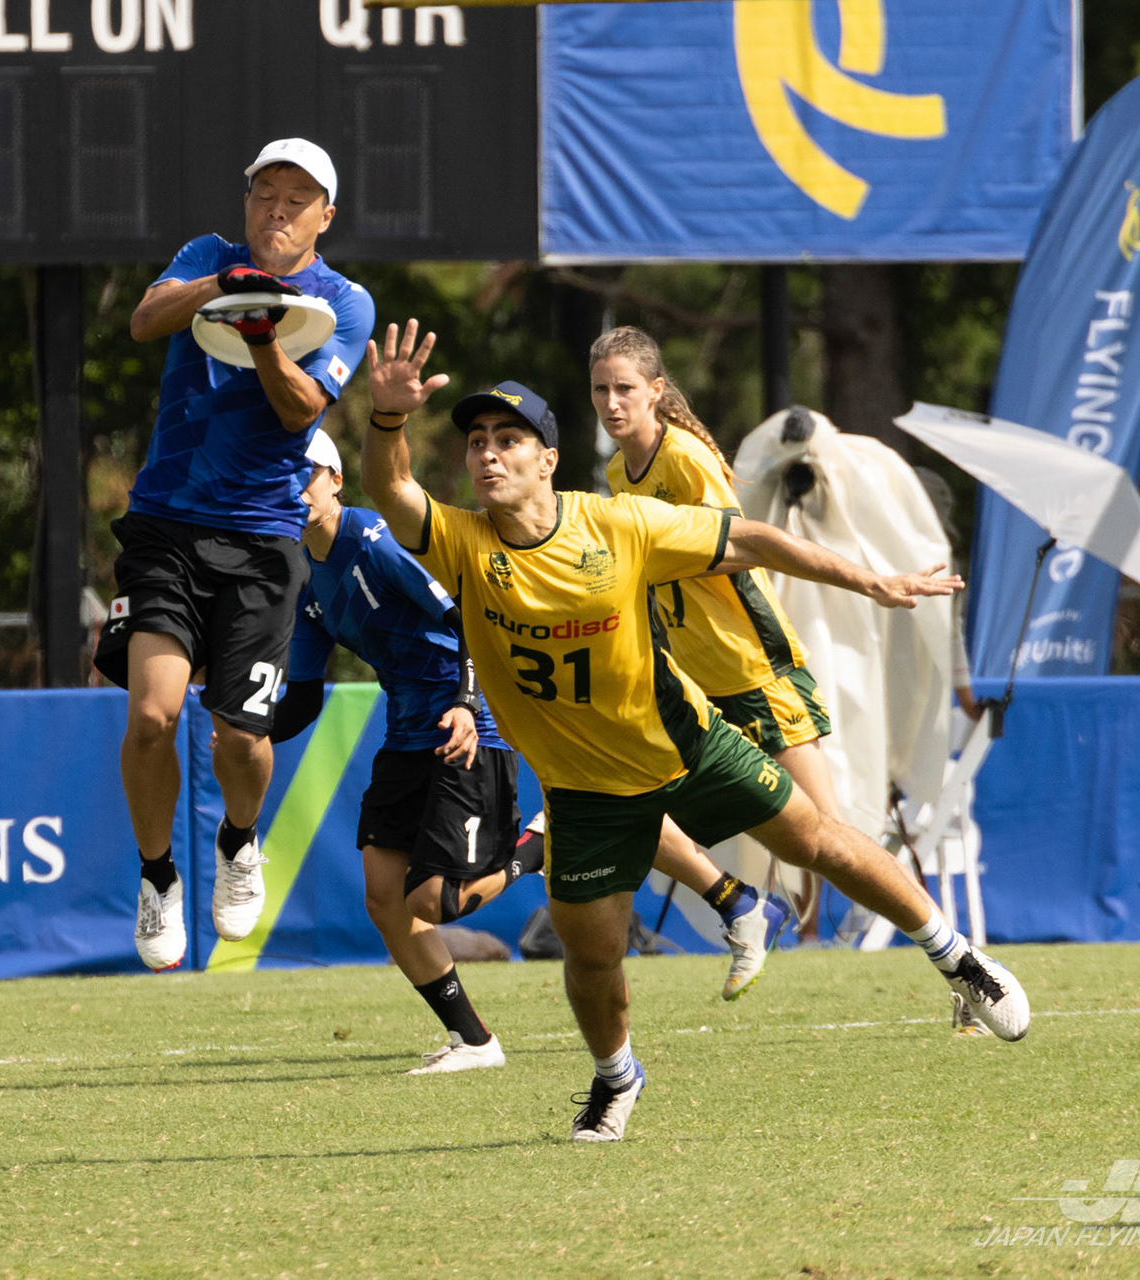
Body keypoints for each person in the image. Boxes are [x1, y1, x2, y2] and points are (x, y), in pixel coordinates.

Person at [360, 321, 1031, 1143]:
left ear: (548, 459)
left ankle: (960, 960)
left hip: (687, 746)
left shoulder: (619, 523)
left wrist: (872, 581)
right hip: (584, 791)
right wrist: (388, 417)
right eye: (476, 442)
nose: (488, 454)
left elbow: (748, 539)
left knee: (818, 840)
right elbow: (391, 488)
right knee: (592, 956)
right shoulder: (463, 544)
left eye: (509, 439)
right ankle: (617, 1078)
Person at [95, 138, 376, 971]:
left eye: (297, 199)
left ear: (326, 216)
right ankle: (157, 877)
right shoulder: (204, 255)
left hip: (262, 541)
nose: (277, 210)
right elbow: (145, 320)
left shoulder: (344, 302)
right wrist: (226, 287)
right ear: (247, 200)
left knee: (240, 738)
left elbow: (300, 411)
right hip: (165, 524)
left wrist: (261, 334)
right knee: (152, 716)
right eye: (265, 194)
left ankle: (238, 840)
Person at [273, 431, 531, 1073]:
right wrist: (248, 728)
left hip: (468, 723)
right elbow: (301, 699)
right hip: (405, 733)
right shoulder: (305, 578)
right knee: (385, 898)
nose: (295, 488)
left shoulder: (373, 539)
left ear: (336, 480)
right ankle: (476, 1043)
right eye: (283, 475)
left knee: (434, 901)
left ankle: (536, 851)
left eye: (307, 474)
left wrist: (467, 704)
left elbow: (469, 615)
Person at [591, 326, 846, 948]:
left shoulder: (683, 457)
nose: (611, 403)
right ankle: (745, 908)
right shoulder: (618, 471)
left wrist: (648, 559)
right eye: (600, 390)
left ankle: (884, 945)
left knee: (827, 835)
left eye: (624, 388)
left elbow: (734, 547)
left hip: (752, 665)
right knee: (636, 803)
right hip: (692, 677)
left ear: (655, 390)